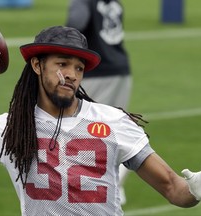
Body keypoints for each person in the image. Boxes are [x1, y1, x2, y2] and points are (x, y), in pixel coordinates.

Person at [0, 26, 201, 216]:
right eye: (62, 64)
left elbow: (174, 191)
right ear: (37, 65)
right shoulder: (10, 128)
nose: (71, 74)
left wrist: (197, 187)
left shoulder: (114, 121)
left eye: (78, 67)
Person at [66, 0, 132, 204]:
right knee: (114, 130)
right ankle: (115, 183)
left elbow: (76, 23)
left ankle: (105, 185)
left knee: (83, 130)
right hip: (121, 69)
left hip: (96, 73)